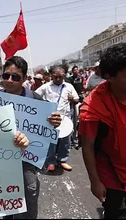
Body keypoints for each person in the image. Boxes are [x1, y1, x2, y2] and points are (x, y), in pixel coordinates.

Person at [0, 56, 61, 219]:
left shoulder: (35, 99)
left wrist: (54, 122)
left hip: (28, 161)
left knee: (29, 194)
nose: (10, 80)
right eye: (6, 76)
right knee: (5, 199)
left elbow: (48, 126)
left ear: (24, 78)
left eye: (15, 77)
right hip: (0, 161)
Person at [79, 43, 126, 219]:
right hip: (112, 176)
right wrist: (95, 181)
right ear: (110, 77)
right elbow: (88, 146)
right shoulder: (94, 107)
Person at [36, 65, 79, 172]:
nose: (58, 79)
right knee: (51, 141)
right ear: (51, 76)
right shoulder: (46, 87)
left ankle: (62, 160)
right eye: (56, 77)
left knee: (65, 141)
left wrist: (72, 98)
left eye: (61, 77)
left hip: (65, 119)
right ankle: (51, 161)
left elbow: (77, 99)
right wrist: (43, 103)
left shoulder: (69, 86)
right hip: (51, 119)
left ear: (64, 75)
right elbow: (35, 95)